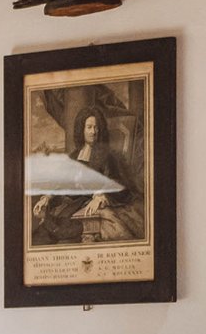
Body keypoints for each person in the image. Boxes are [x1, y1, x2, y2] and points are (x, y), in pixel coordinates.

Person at [32, 104, 146, 245]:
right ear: (82, 129)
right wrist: (47, 198)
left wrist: (102, 197)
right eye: (89, 127)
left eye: (96, 127)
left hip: (93, 205)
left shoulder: (106, 155)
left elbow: (117, 182)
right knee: (44, 234)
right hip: (75, 204)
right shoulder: (74, 157)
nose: (93, 132)